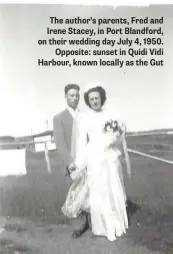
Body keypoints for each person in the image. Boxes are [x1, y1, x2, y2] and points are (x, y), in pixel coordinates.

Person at [61, 83, 131, 242]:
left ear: (102, 98)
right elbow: (81, 141)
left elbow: (117, 136)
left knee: (113, 189)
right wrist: (78, 162)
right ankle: (105, 228)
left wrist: (113, 138)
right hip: (94, 157)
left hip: (110, 156)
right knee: (100, 191)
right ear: (88, 100)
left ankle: (116, 225)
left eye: (97, 98)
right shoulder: (85, 117)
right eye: (91, 99)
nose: (94, 101)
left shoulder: (110, 114)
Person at [53, 84, 89, 238]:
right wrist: (70, 162)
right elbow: (60, 143)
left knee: (88, 192)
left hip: (87, 160)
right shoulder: (59, 118)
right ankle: (78, 226)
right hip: (72, 163)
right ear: (65, 97)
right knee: (74, 194)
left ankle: (91, 222)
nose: (74, 98)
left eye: (76, 95)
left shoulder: (85, 115)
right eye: (71, 95)